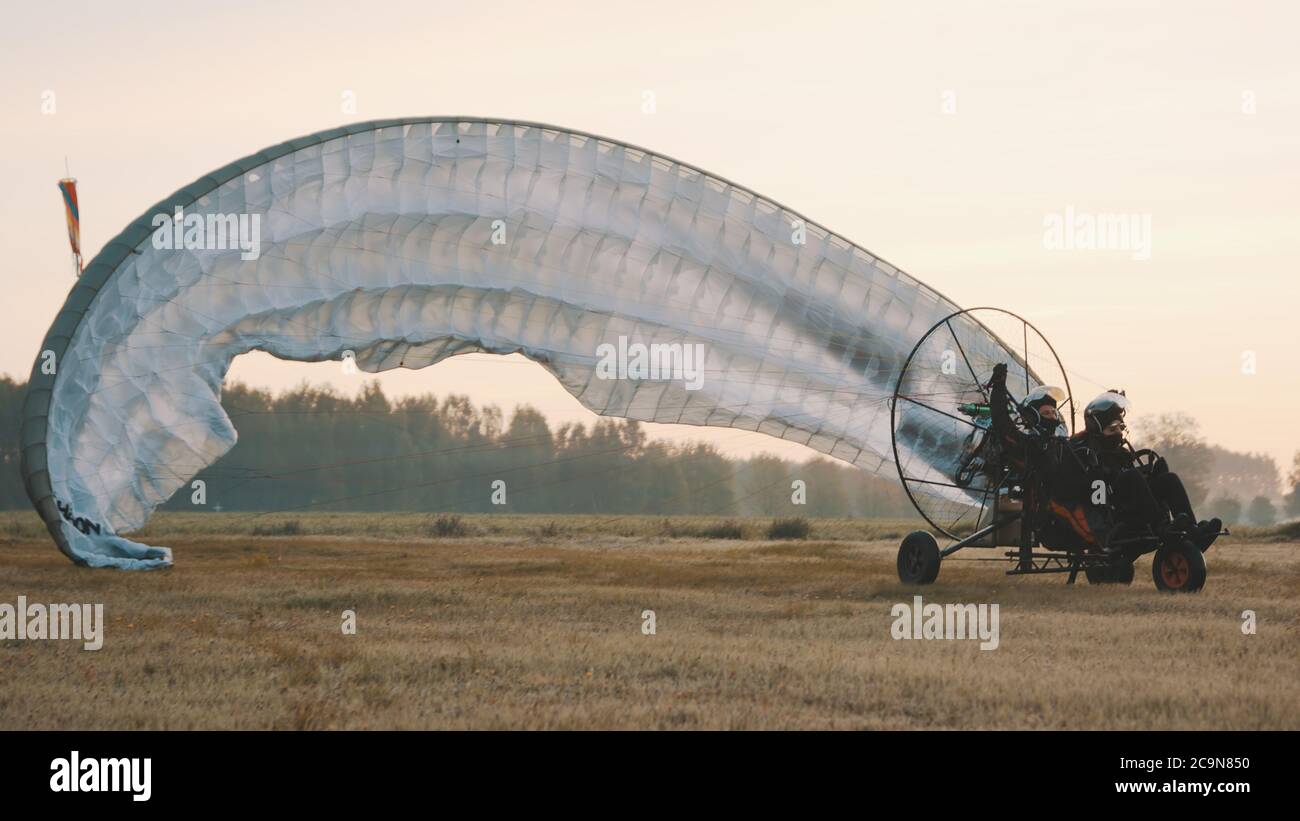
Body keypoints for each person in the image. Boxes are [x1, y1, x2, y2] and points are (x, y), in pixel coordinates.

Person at [1071, 389, 1221, 550]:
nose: (1119, 433)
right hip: (1115, 512)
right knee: (1132, 476)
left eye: (1121, 428)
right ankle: (1162, 528)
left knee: (1168, 478)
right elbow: (1091, 490)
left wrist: (1152, 474)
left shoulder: (1121, 452)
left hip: (1134, 503)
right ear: (1098, 431)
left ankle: (1192, 530)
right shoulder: (1086, 453)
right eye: (1113, 429)